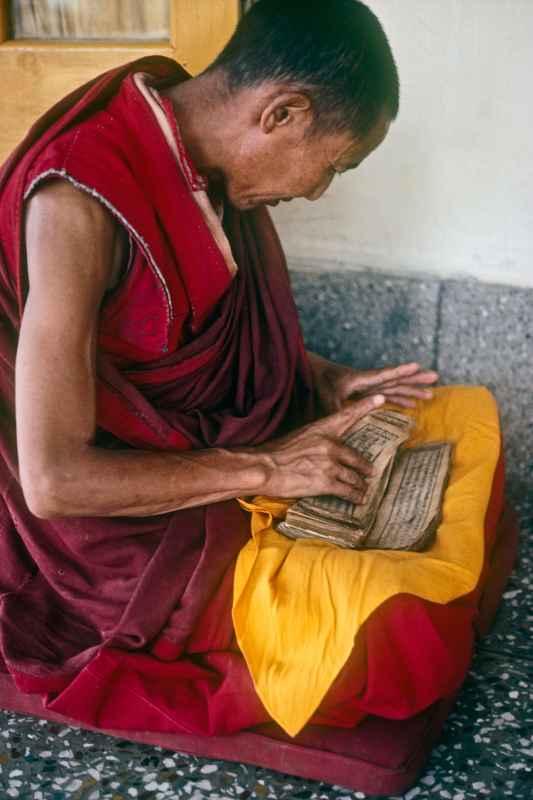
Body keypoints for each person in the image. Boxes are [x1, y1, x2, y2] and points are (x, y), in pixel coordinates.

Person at [0, 0, 441, 735]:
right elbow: (55, 482)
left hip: (198, 451)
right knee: (388, 638)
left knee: (438, 474)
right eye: (332, 164)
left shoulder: (200, 159)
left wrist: (316, 374)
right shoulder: (77, 200)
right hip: (102, 526)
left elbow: (168, 334)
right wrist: (265, 470)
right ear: (283, 113)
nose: (316, 192)